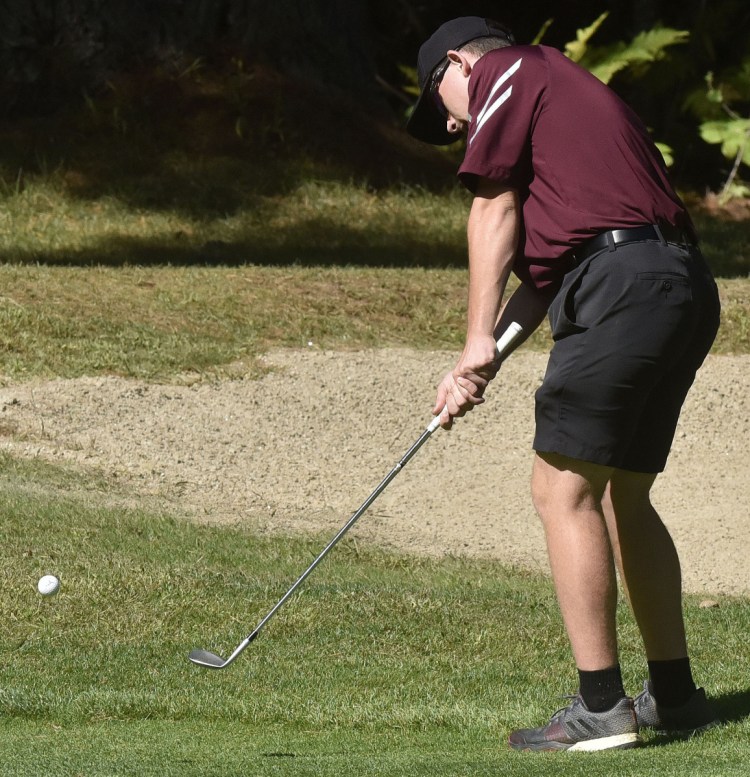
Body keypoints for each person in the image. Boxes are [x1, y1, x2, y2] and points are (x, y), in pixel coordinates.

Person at [406, 16, 721, 752]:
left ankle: (601, 706)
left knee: (561, 489)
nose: (451, 124)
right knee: (620, 492)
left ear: (459, 63)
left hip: (622, 286)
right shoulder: (569, 111)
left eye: (440, 103)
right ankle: (673, 694)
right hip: (675, 285)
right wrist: (476, 368)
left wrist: (475, 337)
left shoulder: (513, 70)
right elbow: (545, 283)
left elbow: (493, 208)